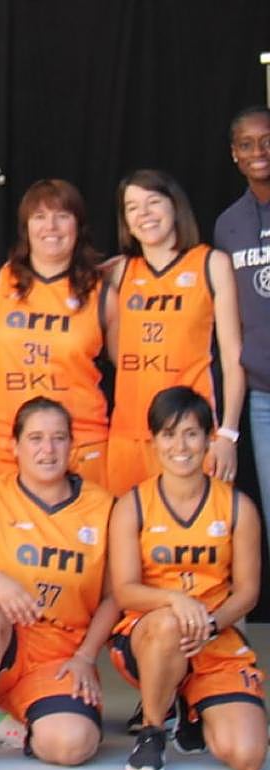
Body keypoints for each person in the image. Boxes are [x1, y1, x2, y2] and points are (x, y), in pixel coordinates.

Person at [0, 396, 116, 770]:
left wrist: (85, 657)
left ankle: (10, 725)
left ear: (72, 445)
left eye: (58, 438)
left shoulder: (103, 507)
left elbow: (115, 597)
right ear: (15, 446)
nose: (48, 449)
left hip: (58, 657)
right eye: (35, 438)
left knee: (71, 746)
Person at [109, 386, 265, 770]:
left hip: (213, 636)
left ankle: (193, 707)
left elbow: (247, 591)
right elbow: (125, 590)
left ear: (209, 439)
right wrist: (176, 602)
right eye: (169, 434)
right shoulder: (133, 505)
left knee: (246, 756)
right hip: (151, 636)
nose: (180, 446)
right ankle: (152, 730)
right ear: (153, 441)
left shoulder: (236, 506)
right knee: (168, 623)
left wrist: (209, 625)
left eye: (191, 434)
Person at [0, 179, 116, 486]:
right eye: (39, 217)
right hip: (0, 441)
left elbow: (129, 373)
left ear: (78, 226)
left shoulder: (103, 296)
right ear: (26, 228)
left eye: (62, 216)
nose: (51, 226)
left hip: (79, 442)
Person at [106, 169, 243, 495]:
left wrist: (228, 433)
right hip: (129, 435)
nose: (144, 214)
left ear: (174, 206)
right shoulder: (118, 271)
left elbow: (233, 357)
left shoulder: (211, 264)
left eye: (153, 202)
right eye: (132, 207)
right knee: (127, 525)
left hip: (190, 433)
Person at [215, 106, 270, 549]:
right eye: (247, 144)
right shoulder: (229, 224)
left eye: (267, 141)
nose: (259, 152)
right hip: (263, 396)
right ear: (234, 153)